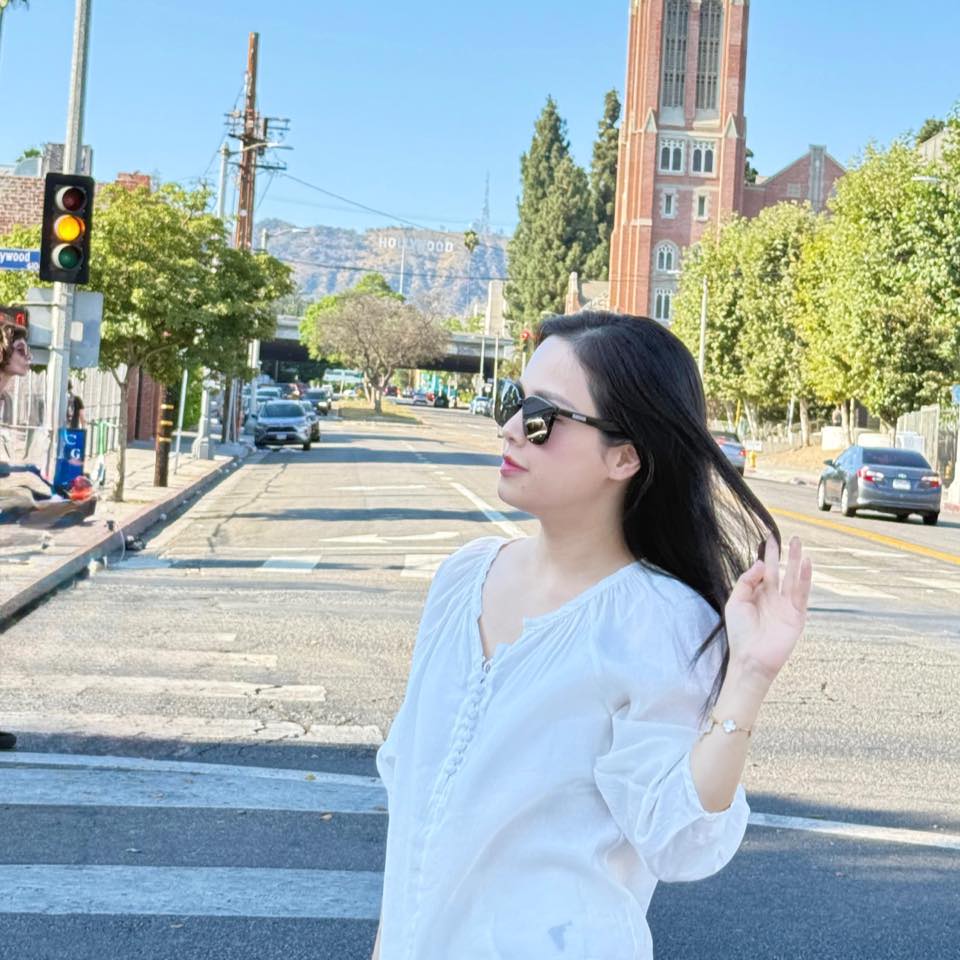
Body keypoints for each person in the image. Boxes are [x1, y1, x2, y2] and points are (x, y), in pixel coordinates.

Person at [371, 310, 813, 960]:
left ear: (624, 455)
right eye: (512, 400)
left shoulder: (657, 619)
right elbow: (414, 815)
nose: (510, 427)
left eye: (541, 417)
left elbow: (681, 839)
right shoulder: (463, 579)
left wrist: (748, 677)